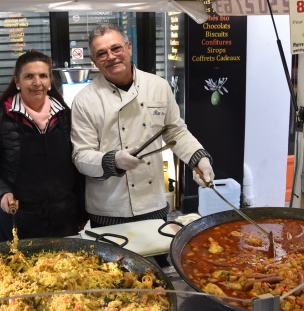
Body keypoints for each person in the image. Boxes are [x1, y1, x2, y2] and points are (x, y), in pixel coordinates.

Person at [71, 23, 214, 227]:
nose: (111, 57)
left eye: (116, 48)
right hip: (109, 207)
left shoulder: (158, 86)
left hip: (152, 203)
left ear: (129, 47)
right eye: (101, 53)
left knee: (156, 259)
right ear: (94, 61)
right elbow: (81, 156)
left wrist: (199, 159)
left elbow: (175, 131)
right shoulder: (84, 100)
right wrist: (114, 160)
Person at [0, 50, 86, 242]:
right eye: (28, 76)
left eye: (43, 76)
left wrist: (82, 212)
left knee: (66, 271)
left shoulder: (66, 116)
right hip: (19, 220)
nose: (36, 82)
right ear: (17, 81)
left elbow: (78, 169)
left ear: (50, 82)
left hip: (64, 219)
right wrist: (1, 193)